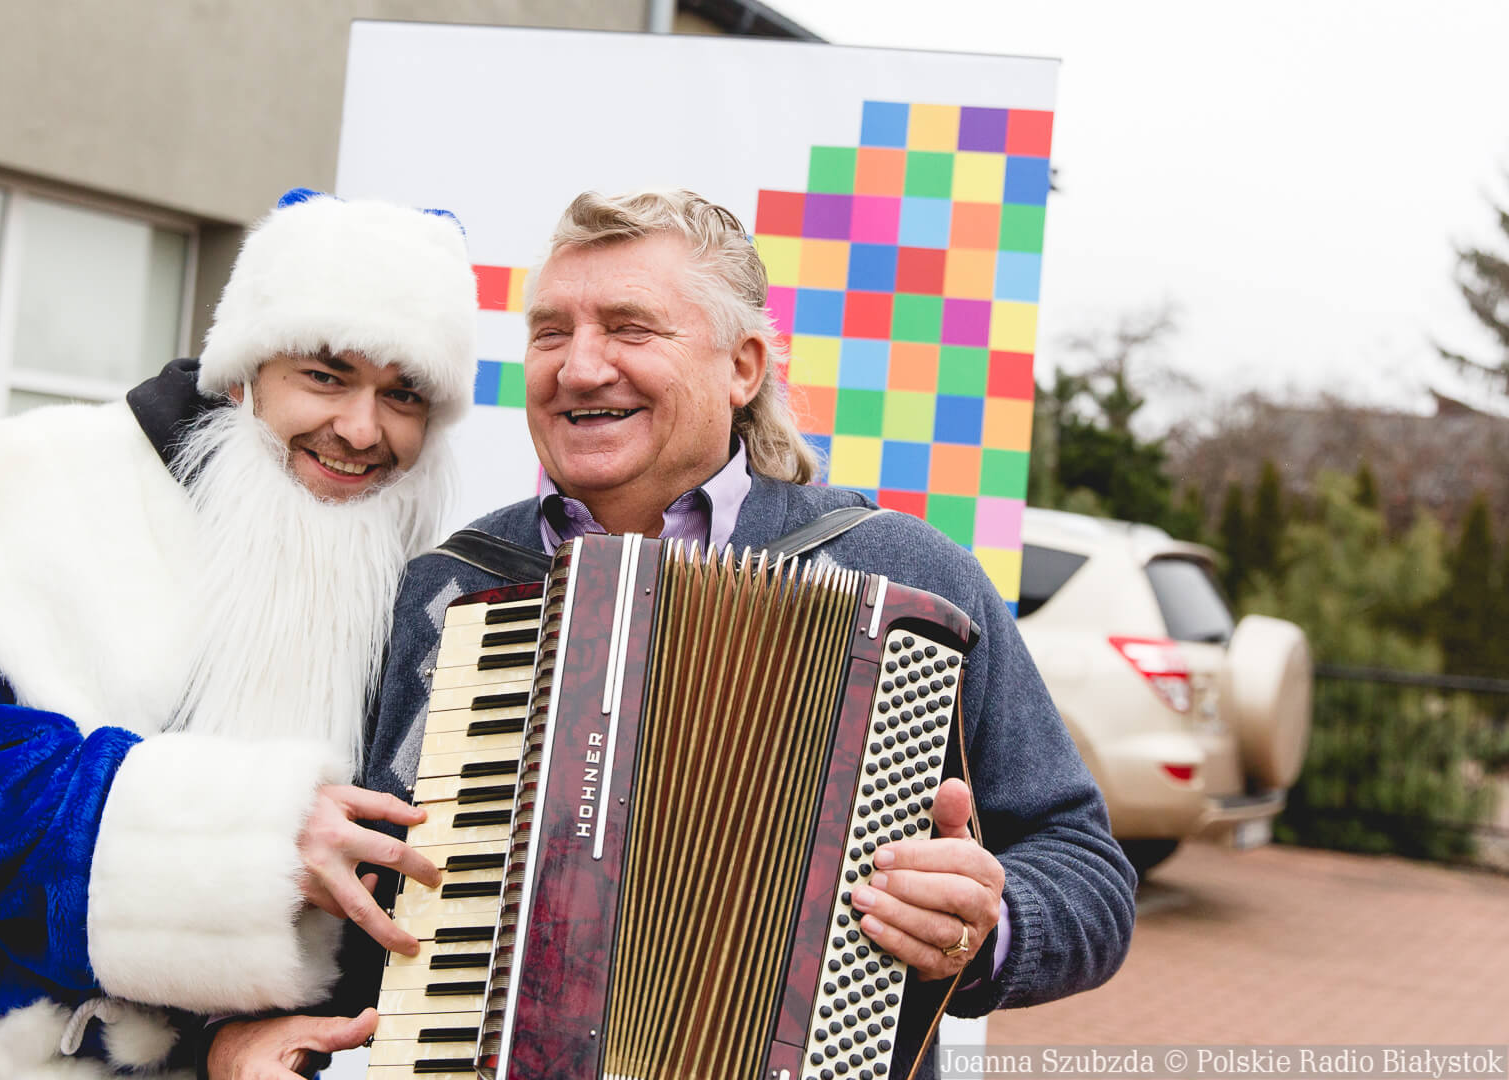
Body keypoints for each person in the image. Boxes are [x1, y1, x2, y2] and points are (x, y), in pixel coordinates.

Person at [327, 189, 1137, 1078]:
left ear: (743, 367)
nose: (579, 368)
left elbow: (1085, 870)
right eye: (550, 332)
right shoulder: (450, 588)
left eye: (630, 329)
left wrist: (986, 925)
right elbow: (349, 907)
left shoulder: (902, 573)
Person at [0, 189, 476, 1080]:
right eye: (325, 376)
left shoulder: (426, 594)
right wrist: (254, 839)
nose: (361, 429)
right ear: (244, 372)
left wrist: (231, 1041)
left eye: (403, 395)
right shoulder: (26, 495)